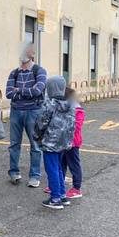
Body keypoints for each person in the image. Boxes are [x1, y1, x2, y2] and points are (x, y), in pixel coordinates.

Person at [5, 42, 47, 187]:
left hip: (34, 112)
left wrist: (19, 90)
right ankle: (14, 173)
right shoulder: (14, 73)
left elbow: (37, 91)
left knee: (35, 145)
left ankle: (34, 176)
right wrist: (24, 92)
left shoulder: (40, 71)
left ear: (32, 54)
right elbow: (8, 93)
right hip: (16, 111)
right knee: (14, 144)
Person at [33, 76, 76, 210]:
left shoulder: (49, 104)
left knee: (52, 169)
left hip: (50, 143)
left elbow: (41, 123)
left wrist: (36, 136)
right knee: (58, 168)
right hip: (64, 142)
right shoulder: (71, 104)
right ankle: (62, 195)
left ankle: (55, 198)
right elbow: (72, 125)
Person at [45, 87, 85, 199]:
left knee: (74, 165)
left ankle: (77, 188)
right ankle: (57, 185)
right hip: (63, 142)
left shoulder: (77, 109)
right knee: (61, 164)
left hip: (73, 143)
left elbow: (76, 127)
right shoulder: (64, 107)